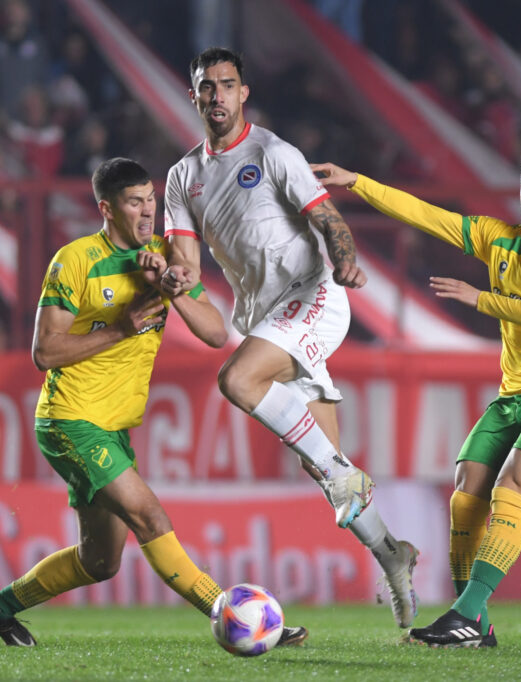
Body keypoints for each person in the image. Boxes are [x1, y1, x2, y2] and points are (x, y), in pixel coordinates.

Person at [0, 157, 307, 647]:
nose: (148, 211)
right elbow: (45, 352)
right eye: (134, 202)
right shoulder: (75, 260)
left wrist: (174, 285)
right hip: (70, 418)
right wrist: (122, 327)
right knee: (151, 517)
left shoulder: (167, 253)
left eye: (152, 199)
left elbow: (215, 334)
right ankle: (234, 615)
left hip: (114, 426)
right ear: (107, 208)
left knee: (100, 562)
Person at [160, 47, 419, 629]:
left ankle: (344, 477)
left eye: (227, 85)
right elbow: (185, 260)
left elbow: (329, 221)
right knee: (325, 470)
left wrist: (347, 261)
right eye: (207, 87)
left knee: (238, 379)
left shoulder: (274, 153)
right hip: (265, 316)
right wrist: (175, 277)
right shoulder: (182, 178)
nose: (217, 96)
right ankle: (393, 555)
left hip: (315, 292)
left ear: (243, 93)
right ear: (194, 96)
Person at [313, 151, 521, 647]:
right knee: (466, 489)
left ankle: (464, 614)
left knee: (511, 486)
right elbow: (426, 214)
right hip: (513, 396)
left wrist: (479, 298)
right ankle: (477, 625)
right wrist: (356, 181)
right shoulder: (500, 239)